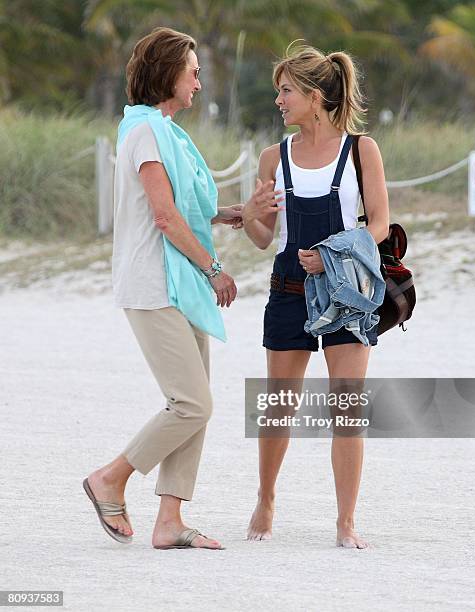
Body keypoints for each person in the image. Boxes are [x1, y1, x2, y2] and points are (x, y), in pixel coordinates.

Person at [83, 27, 274, 551]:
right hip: (153, 283)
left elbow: (184, 208)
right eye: (193, 70)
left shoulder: (166, 131)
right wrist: (215, 270)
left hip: (178, 283)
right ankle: (111, 478)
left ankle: (169, 521)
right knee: (192, 403)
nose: (199, 79)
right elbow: (164, 217)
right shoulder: (145, 131)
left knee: (194, 401)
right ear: (169, 74)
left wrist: (238, 213)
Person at [242, 43, 389, 548]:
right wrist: (256, 212)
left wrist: (330, 255)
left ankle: (346, 521)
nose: (278, 101)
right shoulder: (271, 157)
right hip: (287, 291)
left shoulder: (361, 150)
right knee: (278, 406)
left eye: (285, 92)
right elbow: (263, 239)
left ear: (314, 96)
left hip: (348, 294)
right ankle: (265, 498)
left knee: (346, 408)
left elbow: (381, 225)